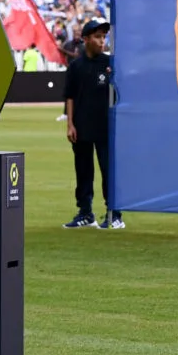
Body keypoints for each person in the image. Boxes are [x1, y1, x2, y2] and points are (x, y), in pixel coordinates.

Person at [63, 18, 119, 229]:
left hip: (106, 128)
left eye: (104, 37)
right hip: (82, 127)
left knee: (108, 172)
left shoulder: (110, 64)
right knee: (83, 172)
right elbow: (69, 96)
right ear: (85, 39)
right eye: (97, 37)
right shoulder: (76, 66)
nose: (101, 41)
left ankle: (114, 214)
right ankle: (85, 213)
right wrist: (70, 124)